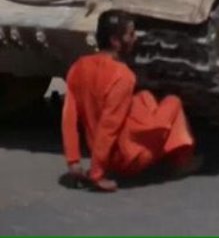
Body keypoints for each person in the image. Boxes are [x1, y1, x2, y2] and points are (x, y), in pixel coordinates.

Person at [62, 10, 199, 192]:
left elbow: (69, 118)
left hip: (102, 151)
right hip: (128, 159)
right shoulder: (123, 76)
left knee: (144, 97)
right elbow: (109, 126)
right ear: (115, 41)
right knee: (173, 102)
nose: (135, 38)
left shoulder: (78, 67)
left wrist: (73, 161)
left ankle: (156, 150)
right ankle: (182, 162)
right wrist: (97, 174)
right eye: (130, 34)